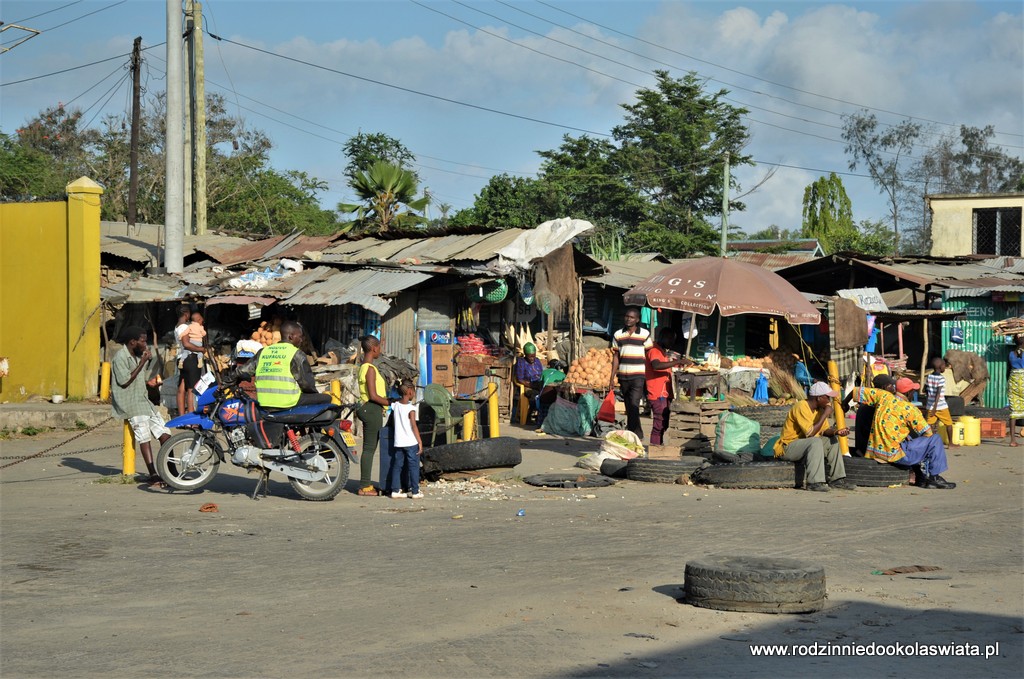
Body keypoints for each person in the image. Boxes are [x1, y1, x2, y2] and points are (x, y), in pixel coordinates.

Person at [853, 383, 956, 489]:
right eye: (913, 392)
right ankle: (934, 477)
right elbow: (928, 433)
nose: (913, 394)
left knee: (910, 440)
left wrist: (844, 403)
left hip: (874, 451)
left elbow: (856, 391)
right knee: (934, 440)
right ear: (908, 393)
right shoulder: (909, 408)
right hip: (893, 454)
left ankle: (921, 477)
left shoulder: (883, 396)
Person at [111, 326, 171, 487]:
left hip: (144, 401)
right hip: (130, 403)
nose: (145, 344)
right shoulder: (120, 358)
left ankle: (171, 472)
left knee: (165, 434)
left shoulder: (137, 355)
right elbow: (124, 381)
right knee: (144, 437)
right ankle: (153, 474)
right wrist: (143, 362)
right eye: (143, 341)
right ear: (132, 342)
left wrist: (148, 372)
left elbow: (139, 377)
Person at [772, 381, 855, 492]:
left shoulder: (819, 410)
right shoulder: (801, 406)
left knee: (832, 441)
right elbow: (810, 433)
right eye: (827, 398)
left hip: (805, 444)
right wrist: (826, 414)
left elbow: (824, 431)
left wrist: (836, 432)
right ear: (819, 398)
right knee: (815, 442)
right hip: (788, 447)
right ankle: (814, 482)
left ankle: (837, 480)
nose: (829, 401)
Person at [235, 320, 332, 409]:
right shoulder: (296, 354)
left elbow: (241, 371)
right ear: (291, 337)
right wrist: (314, 395)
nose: (301, 340)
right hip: (288, 403)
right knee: (327, 398)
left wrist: (228, 381)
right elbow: (307, 384)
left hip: (263, 403)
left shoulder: (263, 352)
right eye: (300, 336)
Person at [610, 307, 653, 440]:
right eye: (627, 316)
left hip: (638, 375)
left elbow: (649, 354)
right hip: (623, 375)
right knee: (629, 405)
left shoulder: (644, 334)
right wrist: (612, 377)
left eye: (632, 317)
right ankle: (637, 433)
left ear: (637, 320)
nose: (628, 319)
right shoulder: (618, 334)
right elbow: (616, 356)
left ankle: (631, 432)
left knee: (634, 403)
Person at [645, 327, 691, 446]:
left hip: (665, 392)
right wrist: (677, 362)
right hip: (656, 392)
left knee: (664, 421)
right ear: (663, 337)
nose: (672, 343)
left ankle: (659, 445)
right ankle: (655, 447)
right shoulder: (654, 350)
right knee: (659, 422)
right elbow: (656, 365)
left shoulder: (662, 350)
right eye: (670, 340)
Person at [356, 335, 390, 496]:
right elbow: (373, 395)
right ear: (374, 348)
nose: (380, 350)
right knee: (369, 449)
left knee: (368, 448)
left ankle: (366, 484)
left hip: (368, 409)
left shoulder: (363, 366)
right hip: (372, 409)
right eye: (379, 347)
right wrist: (391, 402)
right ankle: (365, 486)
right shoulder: (369, 368)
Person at [388, 381, 424, 499]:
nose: (413, 393)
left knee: (397, 466)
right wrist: (419, 441)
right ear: (409, 392)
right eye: (413, 391)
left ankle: (395, 490)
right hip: (411, 442)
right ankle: (415, 491)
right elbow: (413, 426)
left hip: (399, 442)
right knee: (413, 467)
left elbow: (391, 404)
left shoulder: (395, 406)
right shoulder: (411, 408)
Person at [174, 305, 204, 415]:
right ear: (186, 314)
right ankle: (192, 419)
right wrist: (202, 349)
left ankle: (182, 417)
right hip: (190, 358)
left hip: (181, 359)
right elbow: (186, 344)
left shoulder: (177, 327)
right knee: (192, 389)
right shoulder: (185, 327)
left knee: (182, 387)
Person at [923, 358, 957, 447]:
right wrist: (935, 408)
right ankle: (950, 443)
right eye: (944, 366)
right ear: (941, 367)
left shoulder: (929, 377)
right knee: (949, 424)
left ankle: (928, 443)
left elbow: (925, 390)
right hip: (940, 406)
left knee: (929, 425)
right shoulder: (941, 378)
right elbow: (938, 394)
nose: (945, 368)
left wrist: (928, 404)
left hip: (930, 406)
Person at [513, 343, 544, 422]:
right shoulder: (521, 362)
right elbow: (520, 379)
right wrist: (532, 385)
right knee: (535, 396)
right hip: (527, 385)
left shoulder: (537, 361)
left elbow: (542, 373)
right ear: (526, 355)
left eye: (533, 356)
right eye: (530, 356)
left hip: (538, 383)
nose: (532, 358)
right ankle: (528, 415)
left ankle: (542, 416)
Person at [1008, 335, 1024, 447]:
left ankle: (1012, 440)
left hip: (1013, 380)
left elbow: (1009, 369)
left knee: (1013, 411)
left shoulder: (1010, 354)